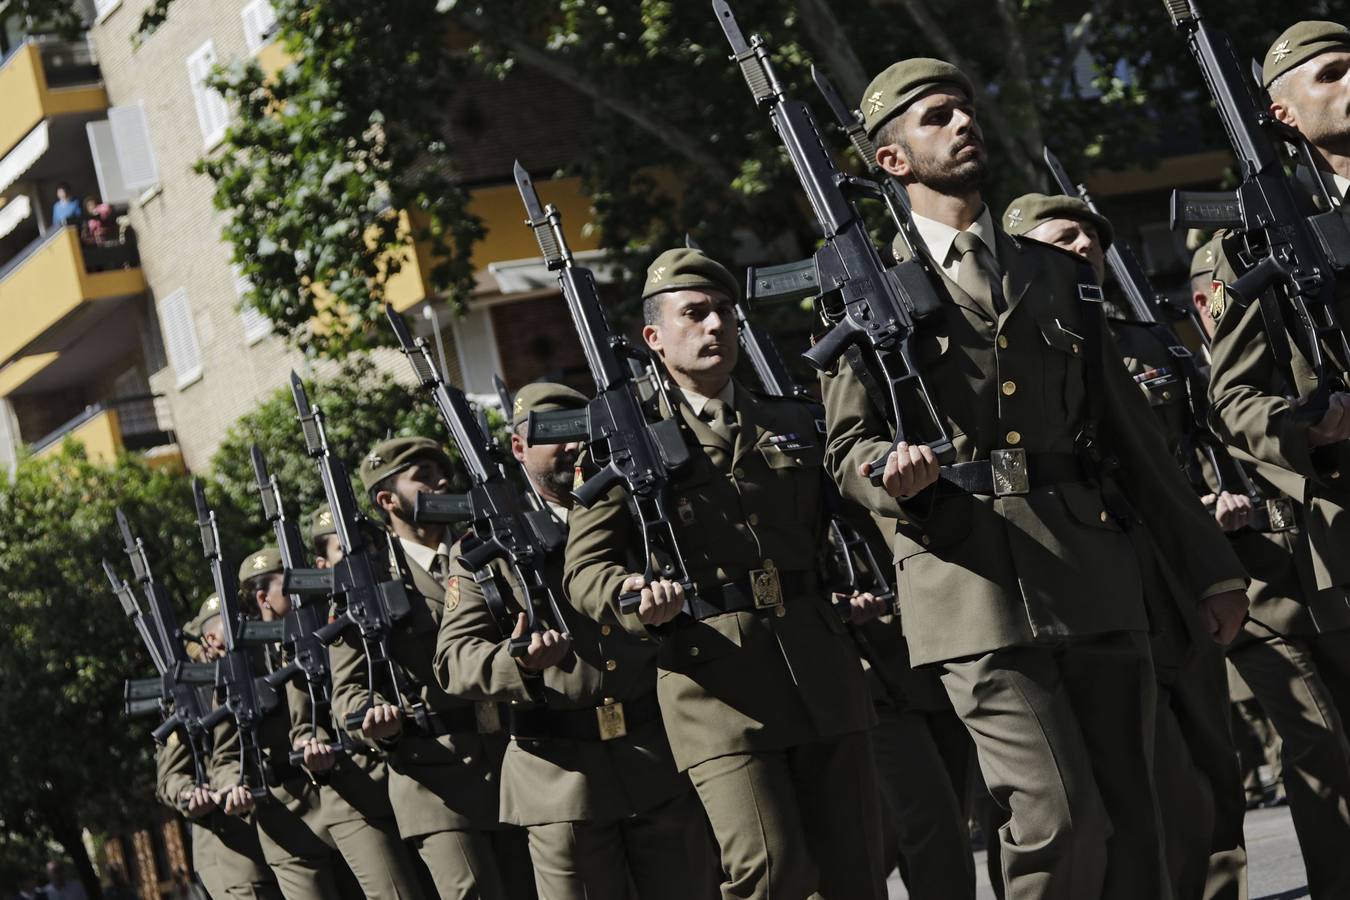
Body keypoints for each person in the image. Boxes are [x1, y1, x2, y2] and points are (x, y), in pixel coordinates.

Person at [821, 58, 1248, 900]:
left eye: (966, 108)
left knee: (1136, 820)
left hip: (1088, 570)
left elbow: (1132, 440)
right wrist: (887, 472)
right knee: (1054, 817)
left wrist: (1209, 567)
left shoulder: (1052, 273)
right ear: (892, 160)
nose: (962, 123)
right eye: (937, 117)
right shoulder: (865, 288)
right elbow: (846, 446)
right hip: (966, 582)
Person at [564, 247, 887, 899]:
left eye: (724, 314)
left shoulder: (791, 420)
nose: (714, 326)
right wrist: (631, 597)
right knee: (770, 869)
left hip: (819, 666)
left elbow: (853, 518)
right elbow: (585, 571)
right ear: (653, 337)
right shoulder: (627, 442)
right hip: (714, 685)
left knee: (858, 872)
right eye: (695, 314)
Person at [1001, 192, 1249, 899]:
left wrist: (1209, 569)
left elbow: (1168, 460)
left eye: (1092, 236)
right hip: (1079, 575)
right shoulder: (1019, 341)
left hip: (1165, 573)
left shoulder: (1147, 339)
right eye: (1063, 236)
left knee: (1209, 777)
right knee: (1129, 792)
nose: (1083, 246)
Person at [433, 381, 717, 899]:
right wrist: (519, 661)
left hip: (655, 754)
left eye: (581, 432)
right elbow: (453, 660)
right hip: (558, 777)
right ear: (518, 448)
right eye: (554, 435)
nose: (573, 446)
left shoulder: (638, 511)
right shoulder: (485, 546)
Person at [328, 437, 532, 899]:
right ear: (387, 500)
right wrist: (373, 717)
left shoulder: (486, 552)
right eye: (421, 476)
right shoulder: (370, 584)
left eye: (442, 472)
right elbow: (349, 691)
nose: (442, 481)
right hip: (433, 775)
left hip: (514, 756)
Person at [239, 546, 426, 900]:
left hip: (380, 771)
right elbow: (299, 721)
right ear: (263, 597)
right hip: (317, 799)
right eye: (289, 585)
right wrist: (312, 742)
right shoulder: (252, 657)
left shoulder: (329, 621)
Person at [156, 596, 280, 900]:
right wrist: (189, 794)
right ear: (209, 639)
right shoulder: (191, 695)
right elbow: (170, 776)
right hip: (231, 845)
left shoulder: (265, 669)